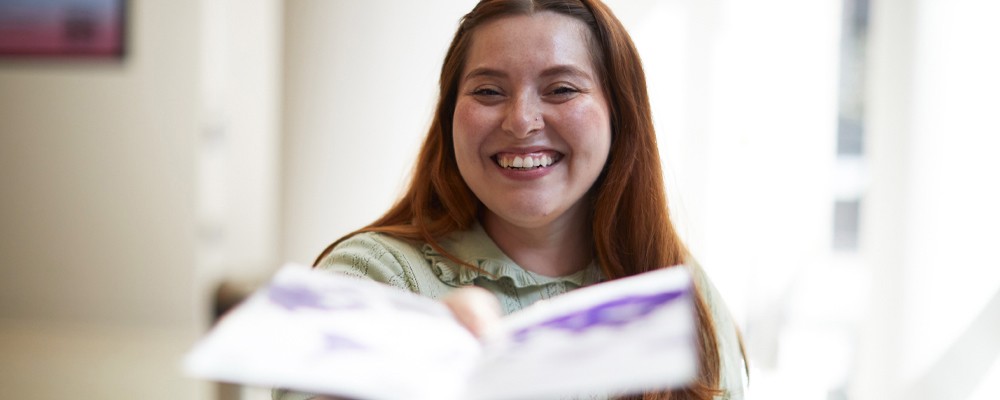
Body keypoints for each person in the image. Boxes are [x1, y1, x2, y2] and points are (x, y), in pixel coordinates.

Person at [275, 0, 746, 399]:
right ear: (450, 116)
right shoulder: (369, 280)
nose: (521, 121)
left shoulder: (680, 292)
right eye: (488, 91)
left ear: (619, 114)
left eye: (561, 89)